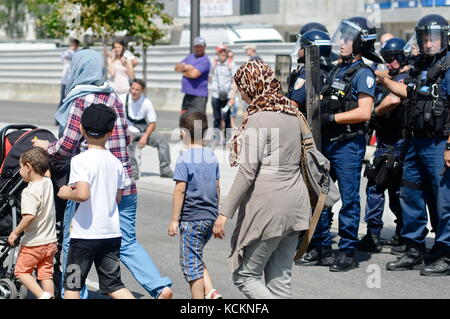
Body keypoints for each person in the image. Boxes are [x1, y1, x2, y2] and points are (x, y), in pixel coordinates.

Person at [32, 49, 173, 298]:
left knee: (72, 245)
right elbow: (125, 137)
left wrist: (45, 147)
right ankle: (159, 286)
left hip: (91, 185)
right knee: (127, 241)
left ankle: (75, 293)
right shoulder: (114, 98)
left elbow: (66, 147)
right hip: (124, 183)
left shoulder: (80, 101)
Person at [213, 60, 311, 299]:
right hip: (297, 205)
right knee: (280, 282)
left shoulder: (259, 119)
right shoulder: (293, 113)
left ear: (252, 85)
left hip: (270, 208)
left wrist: (224, 213)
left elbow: (247, 172)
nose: (241, 93)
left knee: (245, 275)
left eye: (241, 87)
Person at [297, 16, 380, 272]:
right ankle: (321, 246)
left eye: (347, 38)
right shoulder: (336, 69)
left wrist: (331, 117)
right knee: (321, 195)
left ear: (360, 43)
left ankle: (346, 251)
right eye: (341, 36)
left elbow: (365, 112)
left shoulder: (363, 73)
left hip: (347, 143)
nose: (341, 42)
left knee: (348, 199)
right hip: (328, 141)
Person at [379, 14, 450, 276]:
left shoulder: (448, 67)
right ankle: (414, 249)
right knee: (411, 196)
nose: (428, 43)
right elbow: (409, 92)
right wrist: (385, 81)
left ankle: (446, 252)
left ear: (444, 38)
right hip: (415, 142)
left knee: (444, 202)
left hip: (438, 142)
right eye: (424, 38)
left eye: (433, 38)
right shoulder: (419, 66)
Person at [57, 103, 135, 299]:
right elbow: (117, 198)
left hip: (83, 237)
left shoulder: (80, 160)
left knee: (72, 286)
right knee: (113, 285)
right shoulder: (116, 163)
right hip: (110, 234)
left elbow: (82, 194)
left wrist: (66, 192)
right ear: (110, 132)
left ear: (81, 129)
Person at [359, 37, 410, 254]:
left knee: (390, 191)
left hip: (398, 144)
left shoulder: (405, 77)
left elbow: (393, 101)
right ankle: (375, 234)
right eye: (386, 59)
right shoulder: (389, 76)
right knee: (377, 188)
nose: (389, 63)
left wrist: (374, 112)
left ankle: (399, 233)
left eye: (393, 59)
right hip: (385, 142)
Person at [168, 111, 223, 299]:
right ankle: (211, 292)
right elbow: (216, 187)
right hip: (209, 217)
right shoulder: (212, 157)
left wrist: (174, 220)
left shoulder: (184, 158)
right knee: (196, 257)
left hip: (192, 219)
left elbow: (180, 191)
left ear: (183, 133)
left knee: (191, 266)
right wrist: (216, 214)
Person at [7, 147, 57, 299]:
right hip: (50, 242)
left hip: (34, 243)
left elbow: (29, 216)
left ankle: (42, 296)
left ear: (28, 167)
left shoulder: (29, 192)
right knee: (45, 274)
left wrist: (15, 232)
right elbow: (46, 171)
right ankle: (50, 296)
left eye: (21, 166)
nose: (20, 170)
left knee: (21, 272)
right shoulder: (47, 182)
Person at [120, 79, 173, 179]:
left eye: (137, 90)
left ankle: (165, 169)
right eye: (132, 89)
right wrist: (125, 132)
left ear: (142, 91)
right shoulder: (122, 99)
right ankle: (133, 171)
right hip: (128, 130)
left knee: (162, 139)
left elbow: (152, 123)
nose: (134, 92)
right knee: (126, 141)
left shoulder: (146, 102)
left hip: (143, 130)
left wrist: (145, 137)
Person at [287, 29, 334, 114]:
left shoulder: (307, 75)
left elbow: (292, 106)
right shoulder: (331, 71)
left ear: (310, 50)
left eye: (301, 47)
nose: (299, 51)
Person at [175, 37, 211, 114]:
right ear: (194, 47)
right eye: (197, 46)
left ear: (204, 47)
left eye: (200, 46)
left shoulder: (205, 60)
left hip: (199, 96)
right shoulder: (190, 57)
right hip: (187, 94)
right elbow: (176, 68)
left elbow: (194, 75)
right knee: (184, 120)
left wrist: (183, 70)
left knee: (198, 121)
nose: (198, 49)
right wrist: (187, 67)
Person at [210, 44, 238, 143]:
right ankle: (216, 139)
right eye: (220, 51)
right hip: (216, 95)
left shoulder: (231, 64)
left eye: (224, 51)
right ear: (217, 53)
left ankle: (228, 140)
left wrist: (233, 96)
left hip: (227, 95)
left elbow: (235, 81)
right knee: (216, 118)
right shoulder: (214, 64)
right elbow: (210, 77)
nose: (223, 53)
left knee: (226, 118)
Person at [60, 38, 80, 108]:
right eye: (73, 43)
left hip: (74, 81)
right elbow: (63, 60)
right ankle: (58, 118)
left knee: (72, 99)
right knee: (63, 99)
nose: (74, 45)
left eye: (75, 44)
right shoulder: (66, 53)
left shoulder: (79, 53)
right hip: (65, 80)